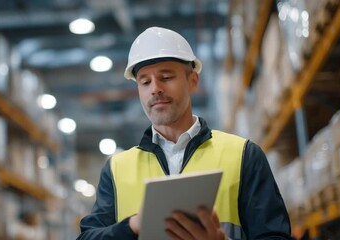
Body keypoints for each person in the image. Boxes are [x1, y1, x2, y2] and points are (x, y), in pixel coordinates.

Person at [77, 26, 292, 240]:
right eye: (145, 82)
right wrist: (132, 226)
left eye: (166, 77)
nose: (155, 89)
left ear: (193, 81)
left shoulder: (243, 156)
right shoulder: (116, 170)